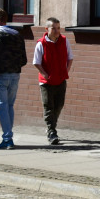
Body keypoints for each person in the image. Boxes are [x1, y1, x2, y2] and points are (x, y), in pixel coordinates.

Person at [0, 9, 27, 149]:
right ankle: (8, 136)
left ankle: (7, 139)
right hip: (15, 75)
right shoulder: (18, 36)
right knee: (9, 106)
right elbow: (24, 60)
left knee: (2, 108)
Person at [33, 17, 73, 145]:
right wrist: (45, 74)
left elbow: (70, 58)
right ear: (47, 29)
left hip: (61, 79)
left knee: (59, 105)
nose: (57, 31)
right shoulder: (41, 43)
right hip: (46, 82)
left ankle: (51, 127)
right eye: (54, 28)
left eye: (58, 28)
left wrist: (66, 71)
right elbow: (36, 62)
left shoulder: (64, 41)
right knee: (48, 106)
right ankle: (51, 132)